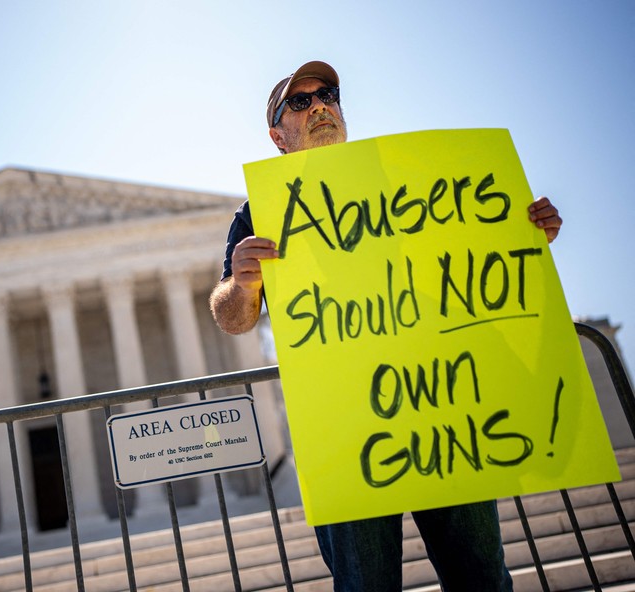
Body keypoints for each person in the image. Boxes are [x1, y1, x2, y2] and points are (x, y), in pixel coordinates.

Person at [208, 60, 563, 592]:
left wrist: (524, 231)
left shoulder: (414, 179)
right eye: (300, 103)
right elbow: (233, 319)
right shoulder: (260, 212)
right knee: (365, 584)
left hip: (442, 407)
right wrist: (242, 283)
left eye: (327, 93)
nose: (320, 106)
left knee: (482, 578)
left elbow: (476, 255)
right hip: (345, 426)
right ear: (277, 136)